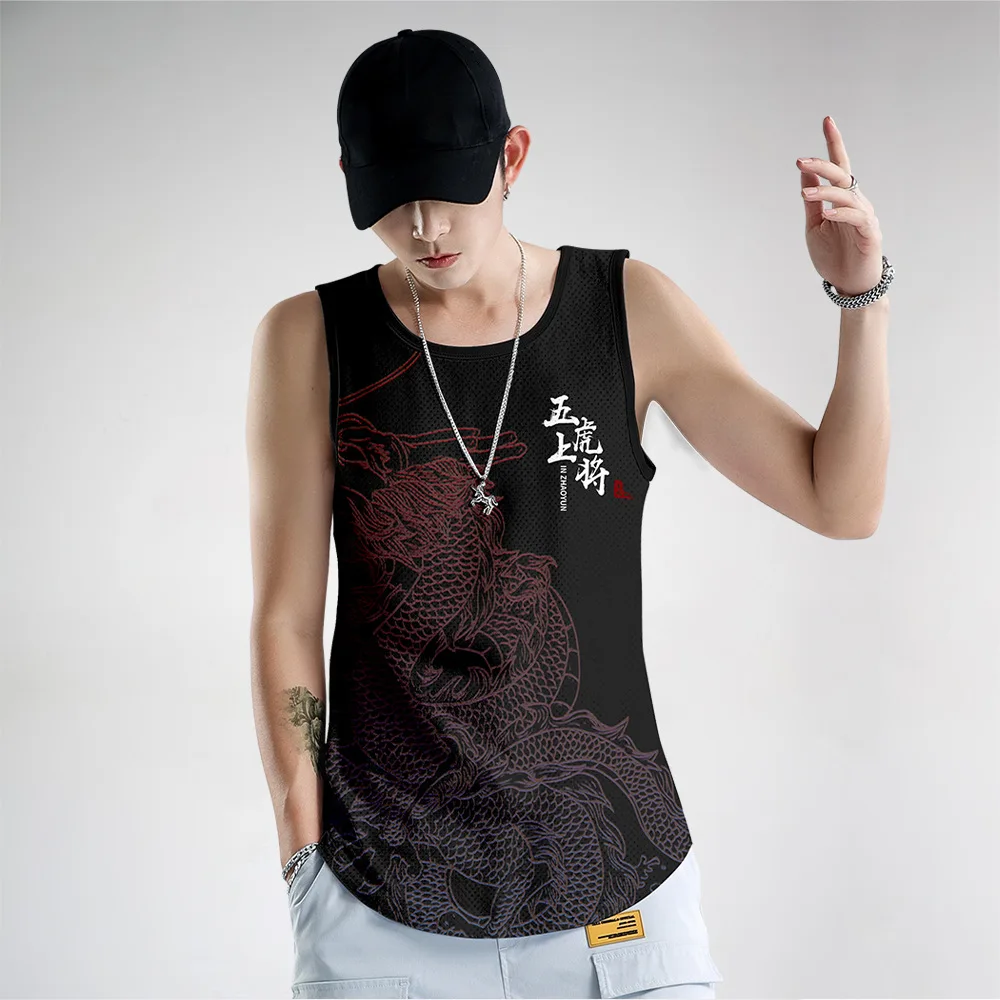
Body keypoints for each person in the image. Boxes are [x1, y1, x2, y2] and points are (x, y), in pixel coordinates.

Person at [246, 28, 892, 1000]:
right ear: (350, 179)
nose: (424, 226)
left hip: (619, 893)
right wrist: (302, 857)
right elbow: (286, 617)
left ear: (511, 157)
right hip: (382, 908)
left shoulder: (623, 306)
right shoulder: (309, 338)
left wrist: (860, 298)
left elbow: (839, 502)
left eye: (449, 190)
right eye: (391, 200)